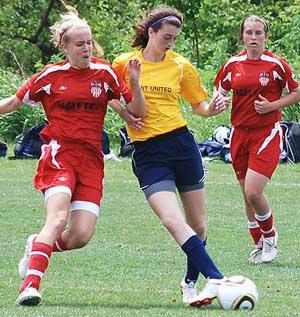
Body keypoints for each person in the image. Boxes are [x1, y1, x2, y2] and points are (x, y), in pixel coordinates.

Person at [0, 6, 145, 306]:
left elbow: (136, 115)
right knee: (57, 218)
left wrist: (134, 83)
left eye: (89, 42)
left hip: (92, 161)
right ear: (64, 46)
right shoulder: (50, 76)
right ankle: (30, 286)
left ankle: (37, 246)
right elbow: (13, 102)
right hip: (59, 154)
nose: (86, 48)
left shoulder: (104, 74)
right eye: (79, 44)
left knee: (80, 235)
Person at [111, 5, 230, 307]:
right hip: (149, 153)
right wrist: (124, 112)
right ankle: (215, 277)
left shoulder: (180, 65)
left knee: (198, 226)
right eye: (166, 36)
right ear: (150, 32)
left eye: (175, 39)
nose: (170, 43)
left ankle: (190, 282)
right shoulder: (125, 63)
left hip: (181, 145)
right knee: (171, 219)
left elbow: (198, 105)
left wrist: (212, 109)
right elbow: (106, 92)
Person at [214, 15, 300, 264]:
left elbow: (295, 92)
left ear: (266, 36)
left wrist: (273, 105)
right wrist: (219, 102)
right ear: (242, 36)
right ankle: (259, 243)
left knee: (253, 191)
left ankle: (271, 236)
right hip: (239, 133)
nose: (253, 37)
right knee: (245, 193)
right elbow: (219, 91)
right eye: (249, 33)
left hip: (267, 133)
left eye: (258, 33)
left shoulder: (276, 65)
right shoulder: (233, 64)